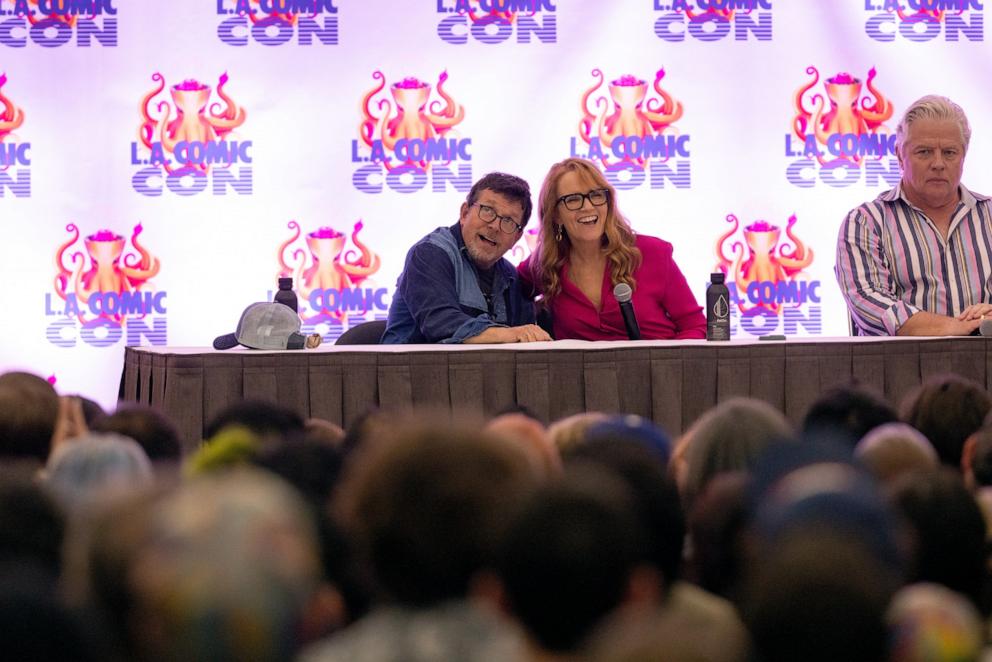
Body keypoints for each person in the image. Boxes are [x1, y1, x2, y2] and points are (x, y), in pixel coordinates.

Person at [836, 94, 992, 336]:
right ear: (900, 154)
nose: (938, 163)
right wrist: (954, 327)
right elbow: (868, 303)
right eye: (925, 152)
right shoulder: (866, 222)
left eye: (949, 152)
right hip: (900, 369)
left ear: (963, 156)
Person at [518, 157, 705, 340]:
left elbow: (695, 326)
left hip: (658, 368)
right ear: (555, 215)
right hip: (582, 371)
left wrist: (669, 365)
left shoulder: (652, 253)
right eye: (573, 199)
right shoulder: (545, 264)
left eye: (596, 195)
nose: (588, 206)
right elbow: (502, 282)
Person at [382, 172, 552, 344]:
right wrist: (512, 334)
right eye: (487, 210)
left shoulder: (510, 276)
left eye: (508, 221)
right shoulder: (429, 253)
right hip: (406, 368)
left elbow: (525, 340)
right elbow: (442, 325)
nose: (494, 226)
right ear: (464, 213)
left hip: (475, 369)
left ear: (516, 237)